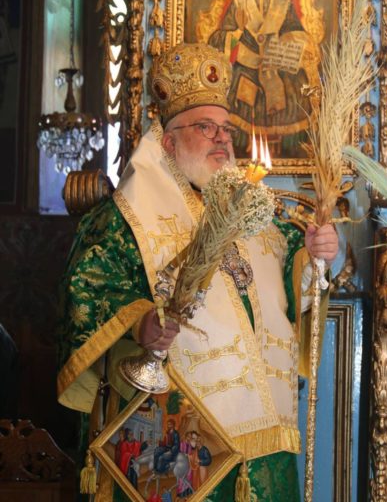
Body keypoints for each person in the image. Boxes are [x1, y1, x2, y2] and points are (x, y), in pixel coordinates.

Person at [58, 42, 338, 501]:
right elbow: (90, 288)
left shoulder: (256, 212)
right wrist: (142, 324)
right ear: (168, 143)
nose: (221, 139)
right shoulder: (127, 217)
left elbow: (293, 275)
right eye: (205, 127)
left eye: (226, 129)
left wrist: (316, 254)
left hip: (266, 434)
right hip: (182, 435)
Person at [208, 0, 317, 158]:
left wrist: (286, 41)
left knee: (295, 94)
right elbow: (217, 40)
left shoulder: (285, 2)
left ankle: (285, 152)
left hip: (278, 67)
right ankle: (244, 151)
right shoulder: (239, 2)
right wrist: (238, 31)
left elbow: (297, 33)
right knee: (240, 97)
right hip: (246, 67)